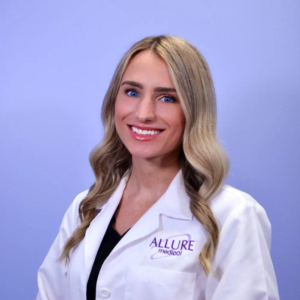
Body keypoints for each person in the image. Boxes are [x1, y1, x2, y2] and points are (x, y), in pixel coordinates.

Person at [36, 35, 279, 300]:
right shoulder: (86, 208)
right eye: (132, 92)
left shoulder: (233, 216)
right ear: (113, 101)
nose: (144, 113)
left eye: (167, 98)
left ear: (193, 111)